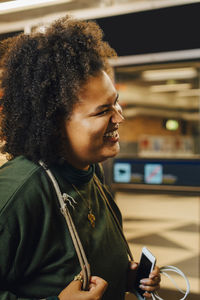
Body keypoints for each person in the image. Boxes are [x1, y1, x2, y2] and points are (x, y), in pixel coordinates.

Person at [0, 15, 160, 300]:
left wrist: (126, 276)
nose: (119, 117)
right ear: (53, 124)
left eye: (116, 103)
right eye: (102, 111)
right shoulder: (17, 193)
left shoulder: (89, 170)